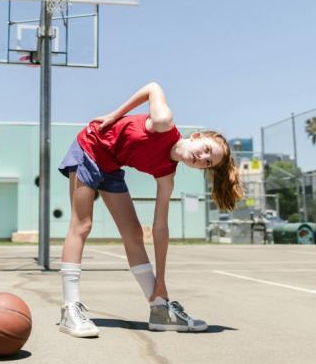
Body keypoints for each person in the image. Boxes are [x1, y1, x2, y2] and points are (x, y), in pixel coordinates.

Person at [56, 82, 244, 337]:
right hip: (90, 146)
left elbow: (160, 229)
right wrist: (114, 115)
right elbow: (153, 87)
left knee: (134, 233)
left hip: (111, 164)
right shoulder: (164, 122)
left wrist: (162, 282)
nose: (201, 158)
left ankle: (159, 308)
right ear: (197, 137)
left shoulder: (167, 175)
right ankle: (70, 309)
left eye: (207, 163)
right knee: (83, 224)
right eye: (206, 150)